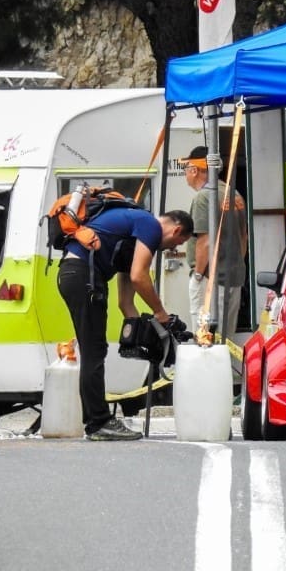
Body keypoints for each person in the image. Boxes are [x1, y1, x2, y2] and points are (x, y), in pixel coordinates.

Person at [57, 207, 193, 440]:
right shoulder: (150, 225)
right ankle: (99, 423)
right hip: (83, 276)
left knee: (93, 350)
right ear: (177, 229)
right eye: (177, 243)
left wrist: (144, 330)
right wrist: (160, 312)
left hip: (73, 274)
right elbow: (139, 277)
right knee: (93, 351)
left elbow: (125, 303)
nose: (173, 249)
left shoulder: (131, 237)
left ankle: (96, 420)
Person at [181, 146, 248, 341]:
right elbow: (243, 237)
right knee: (224, 339)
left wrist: (198, 276)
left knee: (205, 338)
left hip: (210, 279)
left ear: (194, 170)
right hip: (233, 277)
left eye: (186, 169)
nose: (186, 174)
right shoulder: (233, 194)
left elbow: (205, 241)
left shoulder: (204, 197)